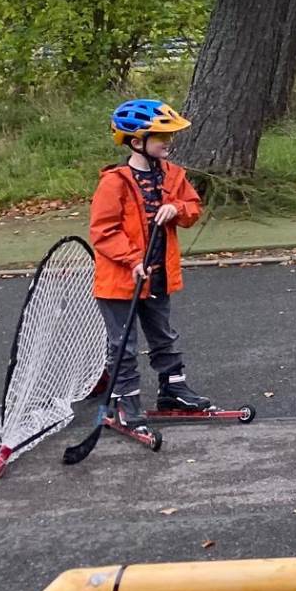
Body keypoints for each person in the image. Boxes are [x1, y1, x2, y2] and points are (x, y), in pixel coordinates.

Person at [88, 99, 207, 435]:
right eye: (160, 136)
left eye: (169, 135)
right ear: (136, 142)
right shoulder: (115, 182)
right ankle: (126, 403)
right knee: (122, 345)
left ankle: (173, 390)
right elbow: (103, 231)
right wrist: (132, 260)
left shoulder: (173, 174)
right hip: (119, 280)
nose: (168, 142)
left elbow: (193, 209)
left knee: (164, 336)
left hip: (158, 275)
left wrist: (177, 208)